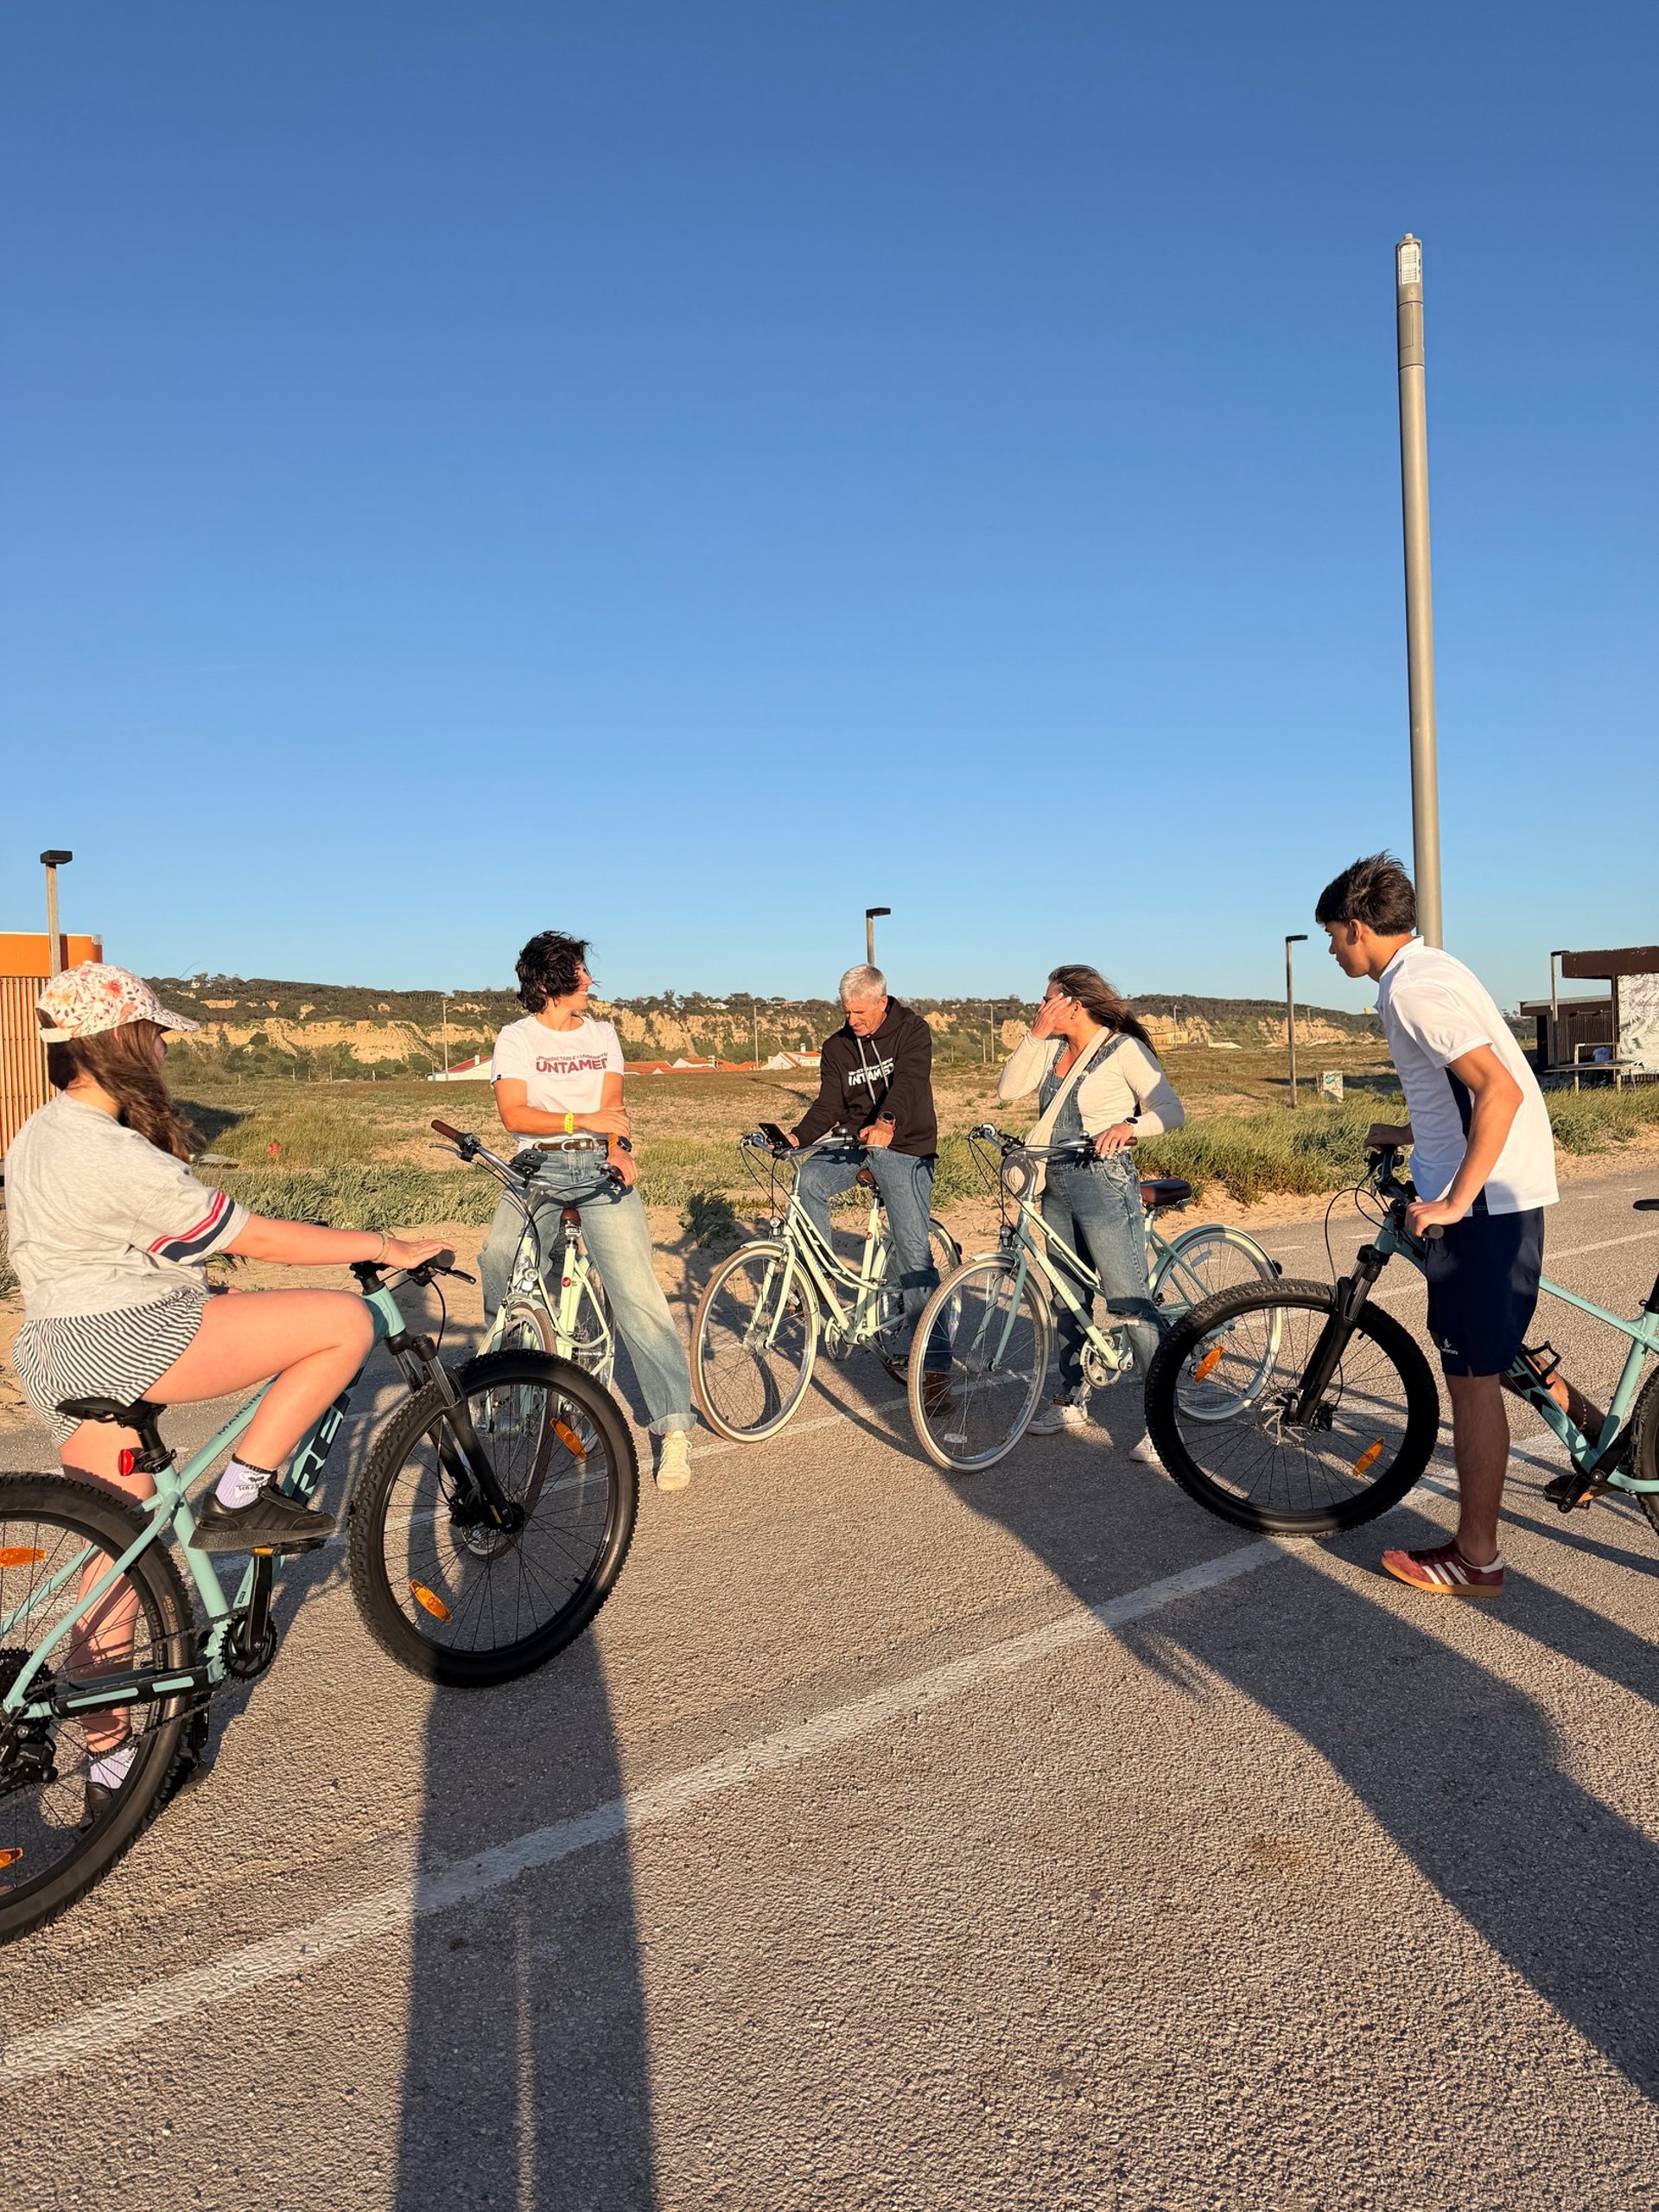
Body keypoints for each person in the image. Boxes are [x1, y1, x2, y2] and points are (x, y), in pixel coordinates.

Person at [5, 962, 447, 1813]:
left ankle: (112, 1774)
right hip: (128, 1342)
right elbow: (244, 1233)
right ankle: (242, 1494)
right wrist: (380, 1244)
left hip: (61, 1349)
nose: (167, 1044)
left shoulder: (41, 1132)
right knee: (343, 1324)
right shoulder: (113, 1147)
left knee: (114, 1572)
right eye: (156, 1031)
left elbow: (119, 1249)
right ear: (119, 1040)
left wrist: (199, 1294)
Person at [1317, 853, 1559, 1598]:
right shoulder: (1432, 971)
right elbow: (1455, 1096)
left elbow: (1498, 1092)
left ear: (1358, 927)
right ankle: (1590, 1435)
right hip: (1492, 1192)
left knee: (1472, 1380)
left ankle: (1477, 1557)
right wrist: (1412, 1138)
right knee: (1490, 1350)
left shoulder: (1414, 990)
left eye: (1332, 935)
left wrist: (1454, 1198)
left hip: (1484, 1204)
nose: (1330, 950)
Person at [478, 931, 697, 1491]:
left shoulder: (602, 1034)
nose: (591, 982)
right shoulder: (516, 1038)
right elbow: (514, 1114)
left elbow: (614, 1108)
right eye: (582, 972)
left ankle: (674, 1429)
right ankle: (513, 1379)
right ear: (554, 982)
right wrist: (581, 1123)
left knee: (639, 1297)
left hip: (599, 1169)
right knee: (498, 1256)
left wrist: (620, 1149)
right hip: (539, 1168)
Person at [998, 965, 1185, 1457]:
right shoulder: (1053, 1050)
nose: (1040, 1008)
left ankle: (1165, 1420)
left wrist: (1129, 1127)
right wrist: (1034, 1037)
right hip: (1053, 1181)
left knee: (1128, 1300)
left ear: (1074, 1003)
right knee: (1068, 1296)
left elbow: (1171, 1108)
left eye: (1047, 1000)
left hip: (1104, 1182)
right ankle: (1071, 1394)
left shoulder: (1123, 1049)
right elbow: (1007, 1091)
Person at [785, 965, 949, 1398]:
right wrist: (795, 1136)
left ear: (882, 1001)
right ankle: (821, 1281)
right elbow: (827, 1106)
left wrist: (888, 1123)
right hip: (859, 1145)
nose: (852, 1021)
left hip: (905, 1146)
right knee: (809, 1179)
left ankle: (933, 1367)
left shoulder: (912, 1031)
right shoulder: (836, 1047)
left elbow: (910, 1084)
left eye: (860, 1012)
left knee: (914, 1255)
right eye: (846, 1012)